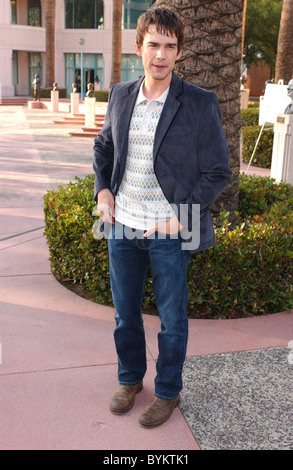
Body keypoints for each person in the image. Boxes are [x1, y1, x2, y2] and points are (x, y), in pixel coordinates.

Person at [93, 7, 232, 428]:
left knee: (172, 318)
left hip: (169, 231)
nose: (161, 54)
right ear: (139, 48)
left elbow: (218, 171)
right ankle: (131, 379)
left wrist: (182, 217)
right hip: (122, 226)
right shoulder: (120, 94)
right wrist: (102, 190)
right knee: (125, 313)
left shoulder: (199, 103)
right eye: (153, 44)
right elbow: (104, 147)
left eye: (170, 46)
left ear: (179, 52)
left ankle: (168, 391)